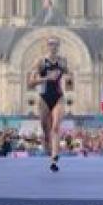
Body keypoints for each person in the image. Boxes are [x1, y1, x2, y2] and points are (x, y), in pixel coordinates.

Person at [28, 36, 69, 172]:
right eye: (51, 44)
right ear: (47, 46)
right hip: (44, 97)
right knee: (46, 130)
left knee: (56, 127)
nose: (53, 47)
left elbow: (67, 72)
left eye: (56, 44)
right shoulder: (40, 62)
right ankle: (48, 146)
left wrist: (65, 73)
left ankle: (54, 158)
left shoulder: (62, 61)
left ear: (58, 46)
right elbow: (31, 82)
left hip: (58, 96)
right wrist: (46, 78)